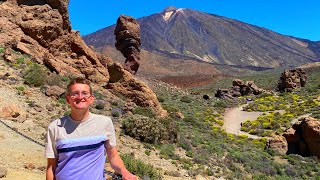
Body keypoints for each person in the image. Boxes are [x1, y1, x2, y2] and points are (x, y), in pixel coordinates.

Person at [45, 77, 136, 180]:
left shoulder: (104, 123)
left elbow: (113, 156)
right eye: (75, 93)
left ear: (91, 99)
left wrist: (124, 172)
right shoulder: (55, 127)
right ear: (68, 99)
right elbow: (51, 167)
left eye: (85, 93)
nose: (80, 97)